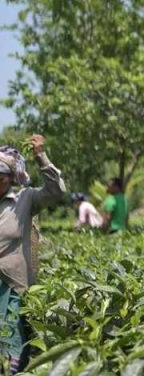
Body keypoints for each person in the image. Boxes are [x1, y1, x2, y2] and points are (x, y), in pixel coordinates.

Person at [0, 134, 66, 373]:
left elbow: (56, 191)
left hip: (12, 287)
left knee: (12, 352)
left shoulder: (23, 199)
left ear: (9, 179)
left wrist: (41, 156)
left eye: (1, 178)